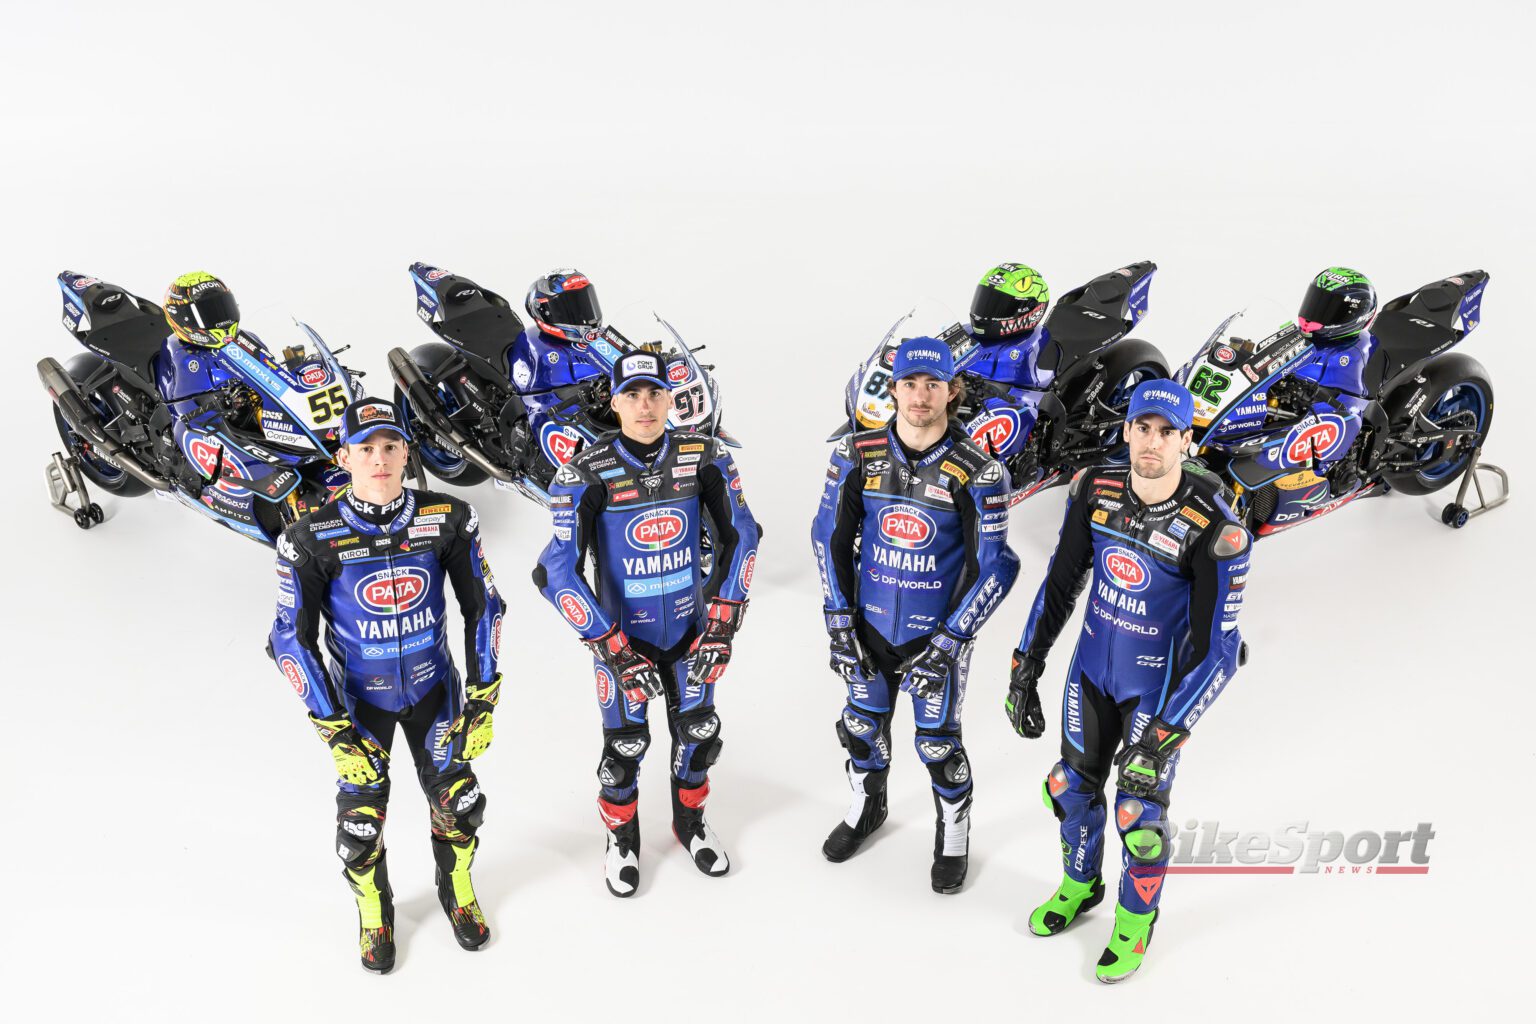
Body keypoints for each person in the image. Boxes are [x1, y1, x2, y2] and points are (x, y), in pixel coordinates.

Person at [1004, 379, 1250, 983]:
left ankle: (1135, 923)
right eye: (1144, 428)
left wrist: (1163, 737)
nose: (1153, 442)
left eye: (1168, 432)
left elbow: (1221, 653)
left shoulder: (1217, 528)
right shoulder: (1094, 487)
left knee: (1139, 817)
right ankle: (1079, 886)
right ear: (1126, 430)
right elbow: (1060, 583)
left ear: (1186, 441)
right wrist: (1025, 664)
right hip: (1091, 671)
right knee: (1069, 788)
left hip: (1157, 693)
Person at [268, 397, 504, 973]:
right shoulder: (309, 537)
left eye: (390, 446)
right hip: (359, 704)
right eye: (366, 448)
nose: (379, 459)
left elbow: (484, 607)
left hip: (434, 691)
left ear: (406, 453)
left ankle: (457, 890)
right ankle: (375, 911)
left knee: (461, 805)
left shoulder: (450, 516)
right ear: (343, 457)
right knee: (358, 828)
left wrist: (483, 697)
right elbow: (289, 640)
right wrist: (332, 729)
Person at [534, 351, 760, 897]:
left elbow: (743, 535)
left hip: (691, 632)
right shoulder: (584, 471)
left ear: (670, 399)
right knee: (624, 749)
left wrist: (723, 622)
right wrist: (610, 646)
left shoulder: (704, 454)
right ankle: (622, 839)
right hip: (624, 640)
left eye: (655, 393)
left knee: (699, 735)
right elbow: (554, 571)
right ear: (613, 403)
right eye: (631, 395)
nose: (645, 406)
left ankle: (691, 825)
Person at [812, 337, 1020, 894]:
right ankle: (867, 808)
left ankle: (954, 833)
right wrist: (838, 621)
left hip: (937, 636)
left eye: (933, 384)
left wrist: (951, 641)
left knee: (938, 745)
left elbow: (997, 567)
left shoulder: (980, 470)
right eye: (910, 383)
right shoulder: (856, 454)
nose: (921, 396)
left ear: (953, 390)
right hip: (868, 628)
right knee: (861, 727)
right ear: (893, 389)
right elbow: (828, 538)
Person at [1287, 266, 1379, 494]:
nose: (1315, 314)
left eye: (1329, 309)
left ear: (1356, 314)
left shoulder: (1354, 353)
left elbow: (1351, 404)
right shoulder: (1305, 339)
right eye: (1316, 302)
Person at [959, 262, 1055, 388]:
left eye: (1000, 306)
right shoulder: (964, 332)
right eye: (985, 300)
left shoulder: (1032, 344)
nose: (986, 311)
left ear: (1030, 308)